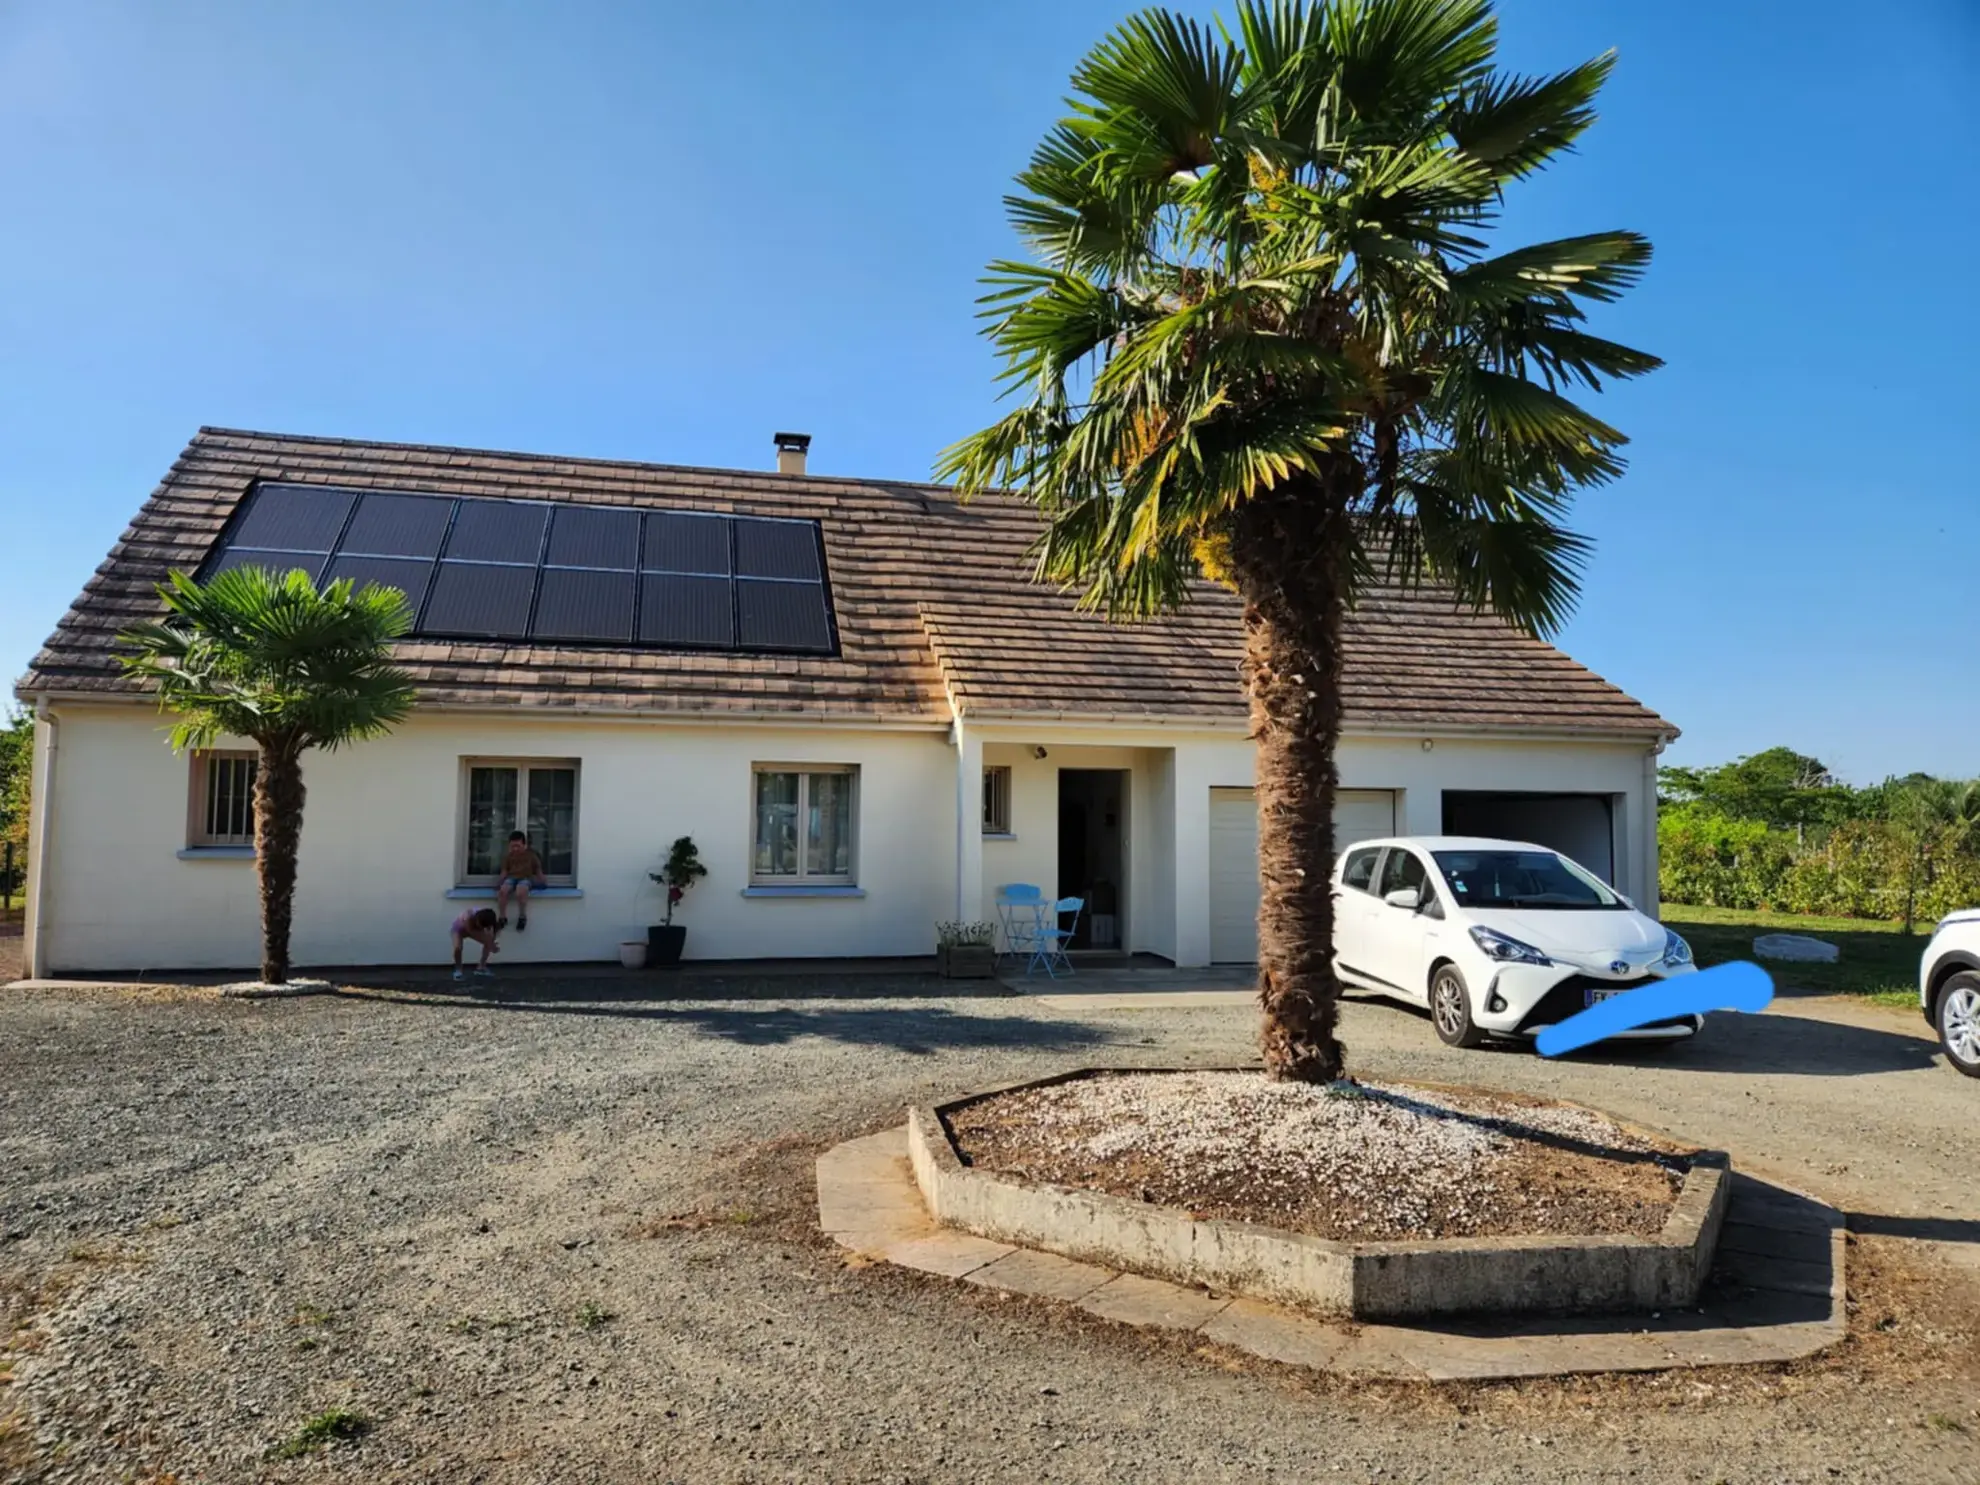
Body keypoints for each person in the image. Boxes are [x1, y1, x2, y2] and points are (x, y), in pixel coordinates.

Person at [495, 831, 547, 930]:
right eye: (512, 846)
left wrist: (542, 880)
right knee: (503, 891)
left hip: (525, 878)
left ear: (524, 845)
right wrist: (499, 883)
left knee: (521, 891)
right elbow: (505, 871)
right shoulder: (508, 857)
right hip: (512, 877)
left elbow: (538, 870)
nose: (515, 849)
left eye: (518, 846)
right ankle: (502, 917)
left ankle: (522, 916)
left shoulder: (531, 856)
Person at [451, 907, 500, 980]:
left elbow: (492, 935)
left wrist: (492, 944)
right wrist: (491, 944)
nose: (481, 927)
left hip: (473, 929)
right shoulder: (469, 917)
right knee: (458, 948)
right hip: (459, 929)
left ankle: (481, 967)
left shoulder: (490, 922)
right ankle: (458, 970)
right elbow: (471, 932)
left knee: (489, 941)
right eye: (480, 924)